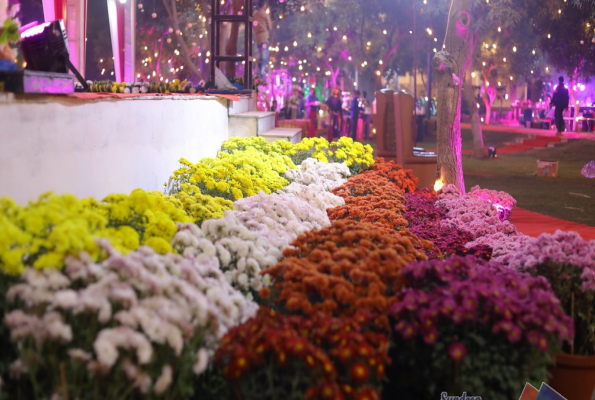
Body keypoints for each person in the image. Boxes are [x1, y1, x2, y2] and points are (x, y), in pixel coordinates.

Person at [253, 0, 272, 79]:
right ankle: (261, 74)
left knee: (260, 56)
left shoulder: (255, 15)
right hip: (264, 38)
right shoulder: (265, 14)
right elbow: (269, 26)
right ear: (264, 5)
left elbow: (254, 26)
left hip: (258, 38)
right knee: (264, 57)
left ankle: (258, 72)